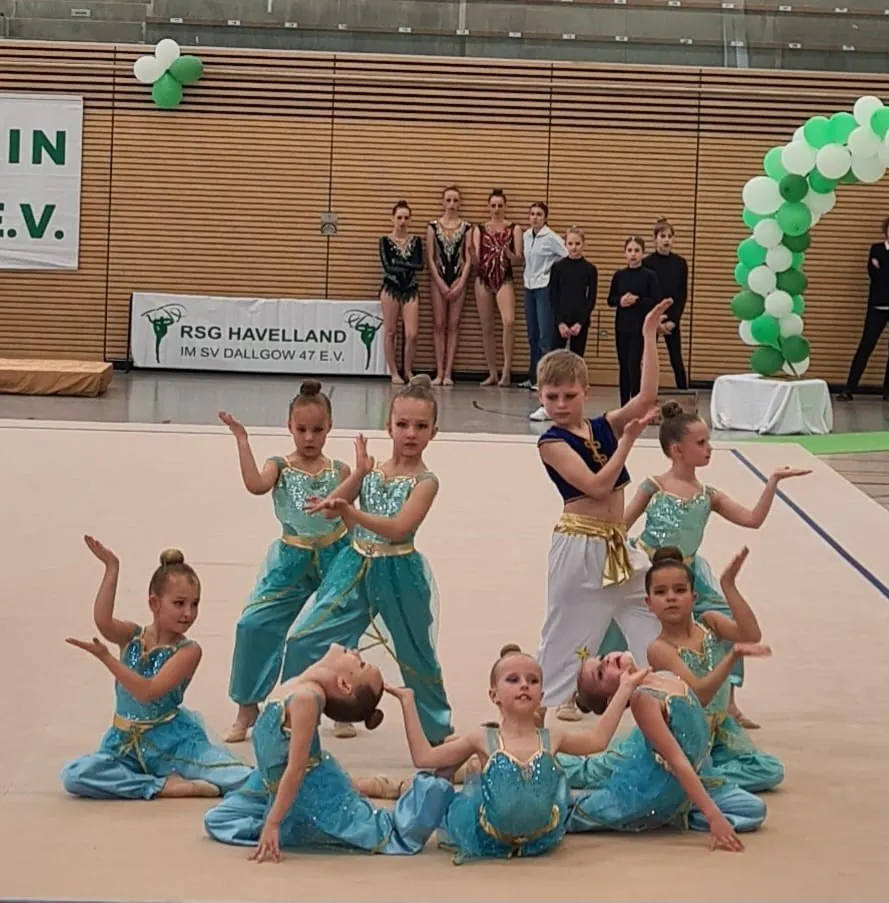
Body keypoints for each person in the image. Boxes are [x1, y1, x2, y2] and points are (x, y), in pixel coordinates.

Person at [597, 401, 810, 727]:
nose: (709, 448)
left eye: (708, 441)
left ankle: (729, 701)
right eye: (701, 443)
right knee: (611, 622)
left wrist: (773, 482)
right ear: (677, 450)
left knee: (726, 622)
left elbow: (753, 519)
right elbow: (621, 525)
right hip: (646, 569)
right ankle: (585, 687)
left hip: (686, 574)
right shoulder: (654, 485)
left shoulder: (709, 495)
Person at [280, 375, 453, 745]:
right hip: (353, 568)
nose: (410, 433)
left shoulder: (426, 481)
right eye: (402, 424)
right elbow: (331, 510)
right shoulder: (371, 472)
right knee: (302, 639)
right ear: (388, 426)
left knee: (416, 657)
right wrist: (357, 474)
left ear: (434, 432)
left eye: (421, 426)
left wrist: (352, 513)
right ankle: (291, 722)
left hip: (399, 572)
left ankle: (437, 734)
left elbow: (398, 528)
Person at [533, 298, 672, 725]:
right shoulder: (551, 442)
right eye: (551, 397)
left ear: (586, 392)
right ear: (540, 396)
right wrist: (627, 443)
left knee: (656, 627)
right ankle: (531, 718)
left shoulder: (600, 426)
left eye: (569, 395)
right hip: (579, 547)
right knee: (563, 636)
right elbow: (595, 486)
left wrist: (648, 336)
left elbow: (646, 397)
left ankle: (668, 698)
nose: (560, 404)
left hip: (618, 547)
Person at [381, 644, 650, 863]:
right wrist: (408, 702)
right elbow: (424, 757)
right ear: (494, 695)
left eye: (532, 681)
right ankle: (393, 784)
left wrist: (625, 688)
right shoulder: (483, 738)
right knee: (440, 778)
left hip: (541, 836)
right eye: (513, 680)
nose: (524, 685)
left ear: (541, 694)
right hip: (489, 835)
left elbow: (597, 740)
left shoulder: (552, 737)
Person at [204, 644, 455, 860]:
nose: (355, 651)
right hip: (269, 781)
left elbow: (296, 767)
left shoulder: (307, 700)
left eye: (361, 664)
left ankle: (433, 785)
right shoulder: (302, 683)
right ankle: (304, 807)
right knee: (218, 820)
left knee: (384, 832)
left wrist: (273, 822)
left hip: (314, 791)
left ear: (344, 684)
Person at [62, 538, 251, 800]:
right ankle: (160, 786)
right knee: (75, 776)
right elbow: (103, 622)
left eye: (195, 604)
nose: (188, 613)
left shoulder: (188, 651)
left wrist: (107, 659)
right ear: (154, 603)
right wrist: (112, 568)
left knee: (244, 780)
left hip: (173, 745)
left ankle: (158, 779)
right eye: (179, 603)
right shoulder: (132, 636)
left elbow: (147, 692)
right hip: (123, 745)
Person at [218, 382, 353, 744]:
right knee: (252, 624)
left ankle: (341, 705)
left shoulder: (340, 470)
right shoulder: (279, 465)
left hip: (336, 555)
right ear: (289, 426)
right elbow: (255, 485)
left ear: (330, 427)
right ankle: (248, 706)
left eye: (317, 430)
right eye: (301, 429)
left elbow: (352, 516)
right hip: (291, 558)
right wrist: (242, 440)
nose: (309, 438)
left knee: (338, 627)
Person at [563, 649, 768, 851]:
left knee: (754, 809)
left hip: (696, 772)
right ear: (614, 699)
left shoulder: (664, 675)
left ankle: (683, 808)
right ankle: (555, 772)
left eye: (602, 658)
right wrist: (713, 816)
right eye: (600, 673)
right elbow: (678, 761)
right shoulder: (643, 701)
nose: (607, 661)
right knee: (579, 808)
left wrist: (733, 653)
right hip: (659, 788)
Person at [645, 546, 784, 793]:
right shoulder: (660, 648)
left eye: (680, 590)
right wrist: (732, 656)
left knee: (769, 770)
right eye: (660, 592)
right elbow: (699, 695)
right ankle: (688, 774)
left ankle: (695, 776)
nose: (671, 597)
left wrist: (728, 585)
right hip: (687, 734)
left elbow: (751, 635)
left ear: (694, 597)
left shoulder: (710, 622)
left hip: (720, 729)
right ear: (649, 603)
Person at [529, 226, 597, 423]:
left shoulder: (590, 270)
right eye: (570, 243)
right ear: (565, 244)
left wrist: (580, 323)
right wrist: (559, 322)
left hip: (580, 323)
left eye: (577, 244)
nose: (574, 247)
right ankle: (546, 406)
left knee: (577, 364)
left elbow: (590, 299)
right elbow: (553, 297)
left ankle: (576, 407)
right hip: (560, 322)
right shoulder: (558, 268)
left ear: (583, 245)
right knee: (554, 363)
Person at [472, 189, 523, 386]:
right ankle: (492, 372)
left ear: (505, 206)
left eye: (500, 205)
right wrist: (472, 256)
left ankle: (506, 371)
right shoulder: (480, 229)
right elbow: (476, 261)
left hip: (504, 278)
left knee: (509, 322)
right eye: (493, 205)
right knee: (486, 326)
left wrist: (509, 254)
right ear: (488, 207)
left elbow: (518, 260)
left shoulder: (514, 229)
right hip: (483, 278)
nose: (496, 209)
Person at [838, 216, 889, 401]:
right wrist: (882, 271)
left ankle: (887, 391)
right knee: (866, 346)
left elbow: (882, 273)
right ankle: (849, 388)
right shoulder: (877, 249)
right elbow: (875, 275)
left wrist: (883, 269)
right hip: (877, 306)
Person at [427, 185, 472, 387]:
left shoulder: (466, 227)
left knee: (454, 324)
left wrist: (461, 282)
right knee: (439, 323)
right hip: (439, 277)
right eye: (448, 200)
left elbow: (468, 258)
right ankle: (439, 371)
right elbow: (430, 257)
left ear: (460, 203)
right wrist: (439, 282)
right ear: (442, 202)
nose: (452, 204)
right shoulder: (433, 226)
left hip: (458, 276)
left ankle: (448, 372)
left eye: (455, 200)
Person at [608, 236, 660, 406]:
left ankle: (636, 402)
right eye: (629, 250)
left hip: (639, 327)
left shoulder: (649, 276)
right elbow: (610, 300)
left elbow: (654, 300)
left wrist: (637, 300)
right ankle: (624, 403)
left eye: (637, 251)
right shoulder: (619, 275)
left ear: (642, 253)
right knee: (623, 364)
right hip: (622, 326)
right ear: (625, 253)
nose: (633, 254)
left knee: (634, 364)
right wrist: (621, 300)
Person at [520, 202, 567, 391]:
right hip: (529, 287)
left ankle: (546, 379)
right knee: (532, 335)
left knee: (544, 336)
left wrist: (551, 271)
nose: (535, 218)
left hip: (543, 288)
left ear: (545, 218)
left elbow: (566, 255)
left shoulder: (551, 237)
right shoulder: (526, 235)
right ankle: (533, 376)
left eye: (539, 214)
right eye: (532, 214)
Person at [379, 200, 423, 383]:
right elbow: (388, 267)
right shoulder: (385, 241)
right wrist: (406, 264)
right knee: (390, 331)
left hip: (410, 290)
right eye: (399, 217)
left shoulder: (416, 241)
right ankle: (394, 372)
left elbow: (419, 265)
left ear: (410, 220)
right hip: (391, 288)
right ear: (392, 219)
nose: (402, 221)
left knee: (412, 334)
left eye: (406, 218)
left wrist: (399, 263)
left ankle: (408, 370)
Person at [643, 217, 689, 390]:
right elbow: (646, 295)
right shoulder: (647, 263)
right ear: (655, 239)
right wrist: (655, 320)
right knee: (648, 358)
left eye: (669, 236)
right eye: (662, 236)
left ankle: (684, 394)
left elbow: (682, 295)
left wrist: (673, 320)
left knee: (676, 358)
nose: (666, 240)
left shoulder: (680, 264)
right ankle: (645, 393)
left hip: (671, 319)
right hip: (652, 318)